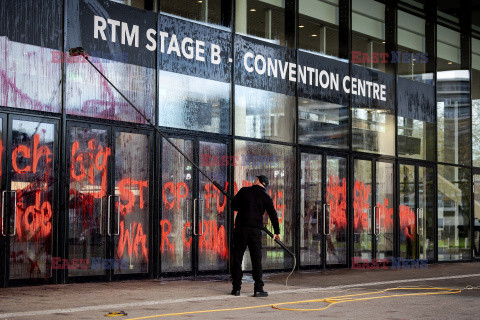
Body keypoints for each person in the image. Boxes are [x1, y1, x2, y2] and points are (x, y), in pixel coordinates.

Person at [230, 175, 281, 297]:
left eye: (256, 178)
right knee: (256, 260)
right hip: (255, 231)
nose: (254, 179)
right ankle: (258, 288)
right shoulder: (266, 197)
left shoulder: (244, 191)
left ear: (258, 181)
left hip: (241, 229)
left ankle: (236, 288)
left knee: (237, 258)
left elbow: (234, 206)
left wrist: (241, 204)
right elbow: (273, 215)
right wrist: (277, 231)